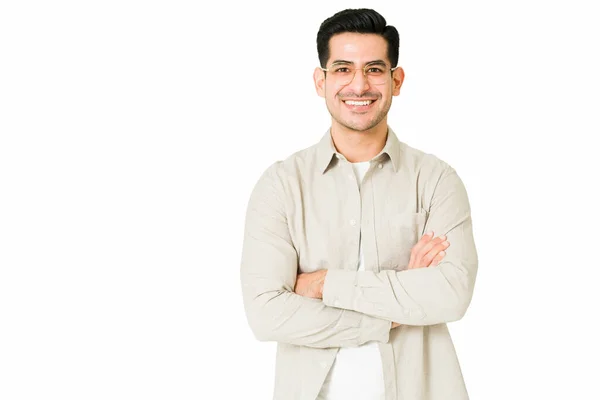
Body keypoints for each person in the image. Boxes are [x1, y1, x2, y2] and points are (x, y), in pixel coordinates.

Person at [240, 8, 478, 400]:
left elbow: (451, 294)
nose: (359, 85)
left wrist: (323, 285)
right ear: (321, 81)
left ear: (395, 80)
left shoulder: (436, 180)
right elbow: (266, 315)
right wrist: (398, 311)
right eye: (343, 69)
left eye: (373, 69)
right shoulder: (281, 185)